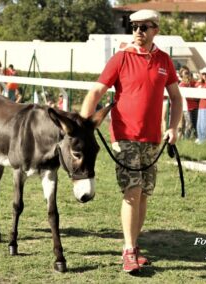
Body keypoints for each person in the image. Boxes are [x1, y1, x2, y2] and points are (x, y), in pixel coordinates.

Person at [80, 9, 183, 274]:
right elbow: (96, 91)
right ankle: (128, 250)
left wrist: (173, 127)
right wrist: (83, 126)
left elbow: (176, 97)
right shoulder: (121, 58)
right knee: (132, 192)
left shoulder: (164, 60)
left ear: (155, 29)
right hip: (124, 137)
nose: (138, 31)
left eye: (144, 27)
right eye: (134, 26)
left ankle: (135, 246)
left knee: (144, 194)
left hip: (152, 140)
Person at [178, 67, 198, 139]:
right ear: (181, 74)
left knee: (195, 124)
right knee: (189, 124)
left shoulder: (192, 83)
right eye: (186, 73)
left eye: (188, 73)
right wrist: (195, 98)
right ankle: (187, 139)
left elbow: (198, 86)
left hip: (194, 106)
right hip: (187, 107)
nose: (188, 75)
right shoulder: (181, 85)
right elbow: (187, 96)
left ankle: (194, 138)